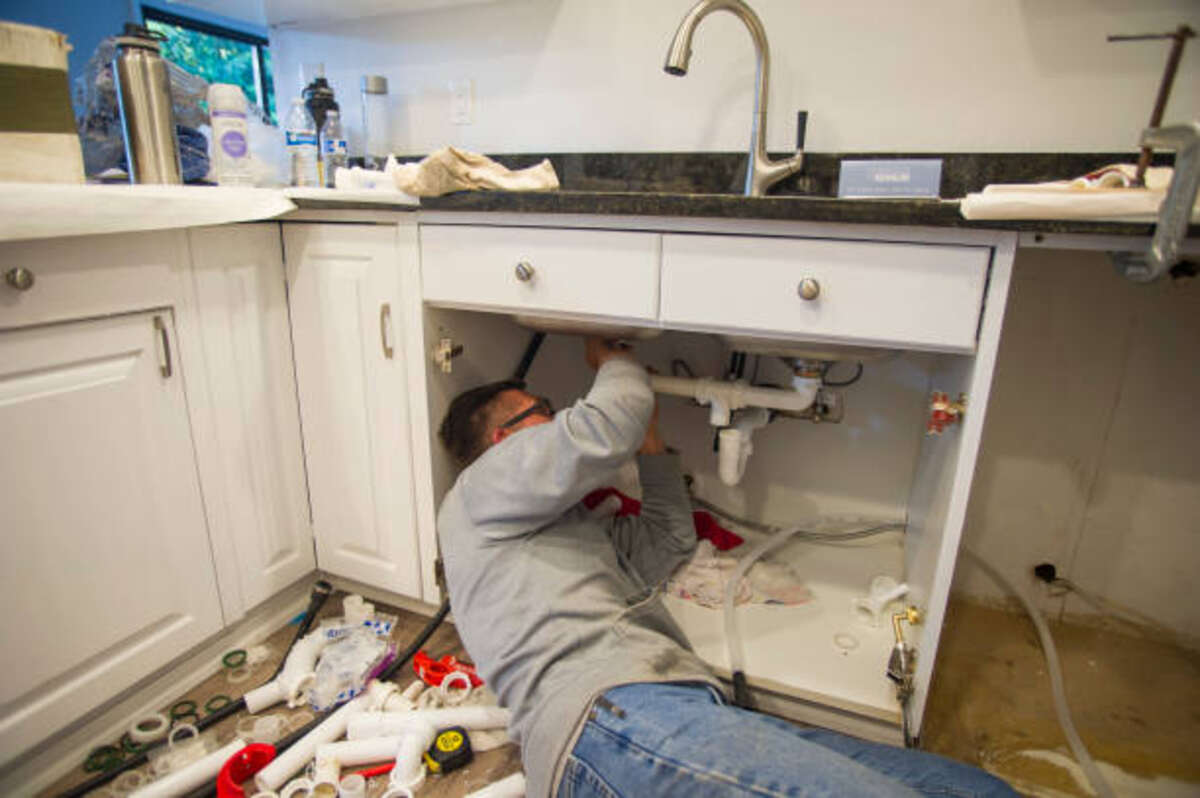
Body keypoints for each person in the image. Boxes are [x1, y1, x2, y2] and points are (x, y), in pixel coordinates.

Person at [436, 337, 1016, 798]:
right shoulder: (478, 489)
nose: (558, 415)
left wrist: (651, 442)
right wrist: (612, 359)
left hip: (656, 712)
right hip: (606, 720)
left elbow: (668, 541)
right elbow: (605, 425)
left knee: (972, 790)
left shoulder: (568, 528)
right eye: (543, 411)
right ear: (501, 440)